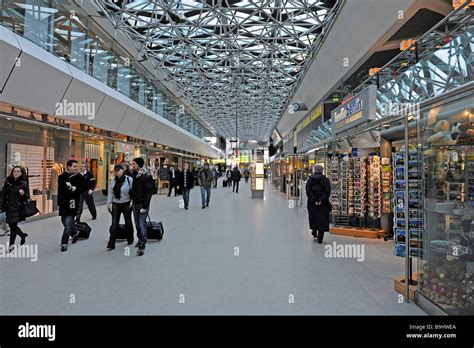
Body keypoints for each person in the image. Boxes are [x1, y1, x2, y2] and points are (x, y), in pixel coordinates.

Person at [0, 166, 29, 252]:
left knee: (13, 226)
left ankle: (11, 245)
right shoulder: (8, 181)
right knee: (11, 225)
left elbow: (27, 197)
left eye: (18, 171)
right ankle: (22, 235)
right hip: (8, 207)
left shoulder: (24, 183)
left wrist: (23, 194)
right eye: (14, 171)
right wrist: (1, 205)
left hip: (18, 207)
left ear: (21, 173)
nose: (16, 173)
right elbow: (2, 194)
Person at [58, 159, 84, 252]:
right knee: (64, 222)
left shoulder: (80, 177)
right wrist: (59, 202)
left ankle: (64, 243)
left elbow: (82, 189)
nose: (76, 168)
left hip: (73, 202)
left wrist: (75, 189)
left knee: (68, 224)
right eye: (74, 166)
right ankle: (76, 232)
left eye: (77, 166)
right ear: (68, 167)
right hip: (63, 203)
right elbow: (60, 190)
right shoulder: (62, 177)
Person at [130, 157, 154, 256]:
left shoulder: (146, 176)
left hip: (142, 205)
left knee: (141, 223)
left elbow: (149, 193)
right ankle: (140, 239)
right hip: (135, 203)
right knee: (137, 224)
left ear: (139, 165)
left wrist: (144, 206)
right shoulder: (134, 175)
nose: (132, 166)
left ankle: (142, 245)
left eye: (134, 164)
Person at [107, 164, 133, 250]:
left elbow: (133, 192)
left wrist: (132, 202)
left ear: (123, 170)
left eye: (118, 170)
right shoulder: (113, 181)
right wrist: (109, 204)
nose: (117, 173)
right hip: (116, 203)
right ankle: (111, 243)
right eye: (116, 171)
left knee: (128, 222)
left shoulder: (129, 180)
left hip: (126, 203)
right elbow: (110, 193)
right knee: (114, 223)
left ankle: (130, 239)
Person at [306, 165, 331, 244]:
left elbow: (308, 191)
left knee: (314, 217)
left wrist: (313, 200)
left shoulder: (309, 180)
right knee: (322, 219)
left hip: (312, 204)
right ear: (322, 171)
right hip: (323, 204)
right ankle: (320, 238)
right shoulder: (326, 180)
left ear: (314, 170)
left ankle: (314, 231)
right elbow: (327, 191)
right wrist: (321, 199)